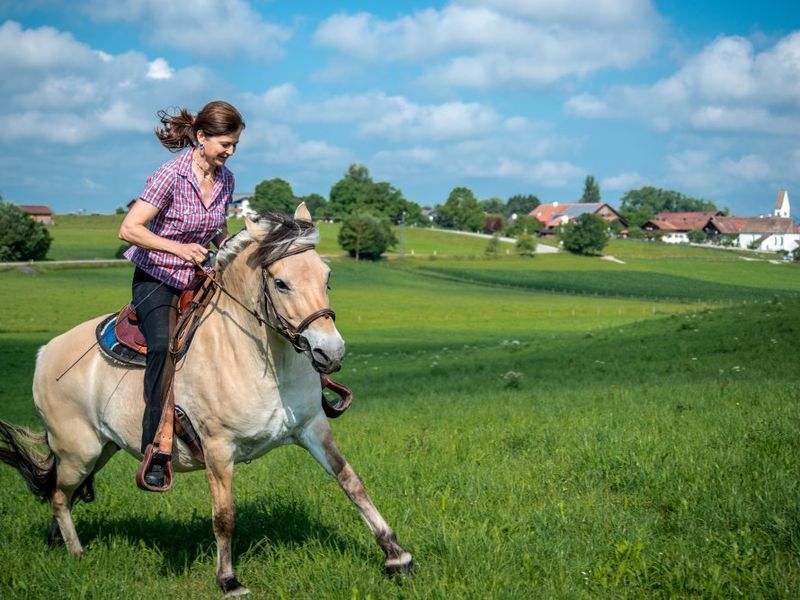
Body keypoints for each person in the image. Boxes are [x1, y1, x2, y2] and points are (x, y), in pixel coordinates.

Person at [119, 100, 245, 488]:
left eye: (235, 144)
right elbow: (129, 229)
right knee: (163, 345)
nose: (230, 151)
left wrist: (234, 250)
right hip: (157, 276)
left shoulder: (226, 179)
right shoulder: (169, 175)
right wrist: (177, 248)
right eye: (225, 143)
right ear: (202, 137)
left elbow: (217, 228)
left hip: (198, 275)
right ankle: (154, 449)